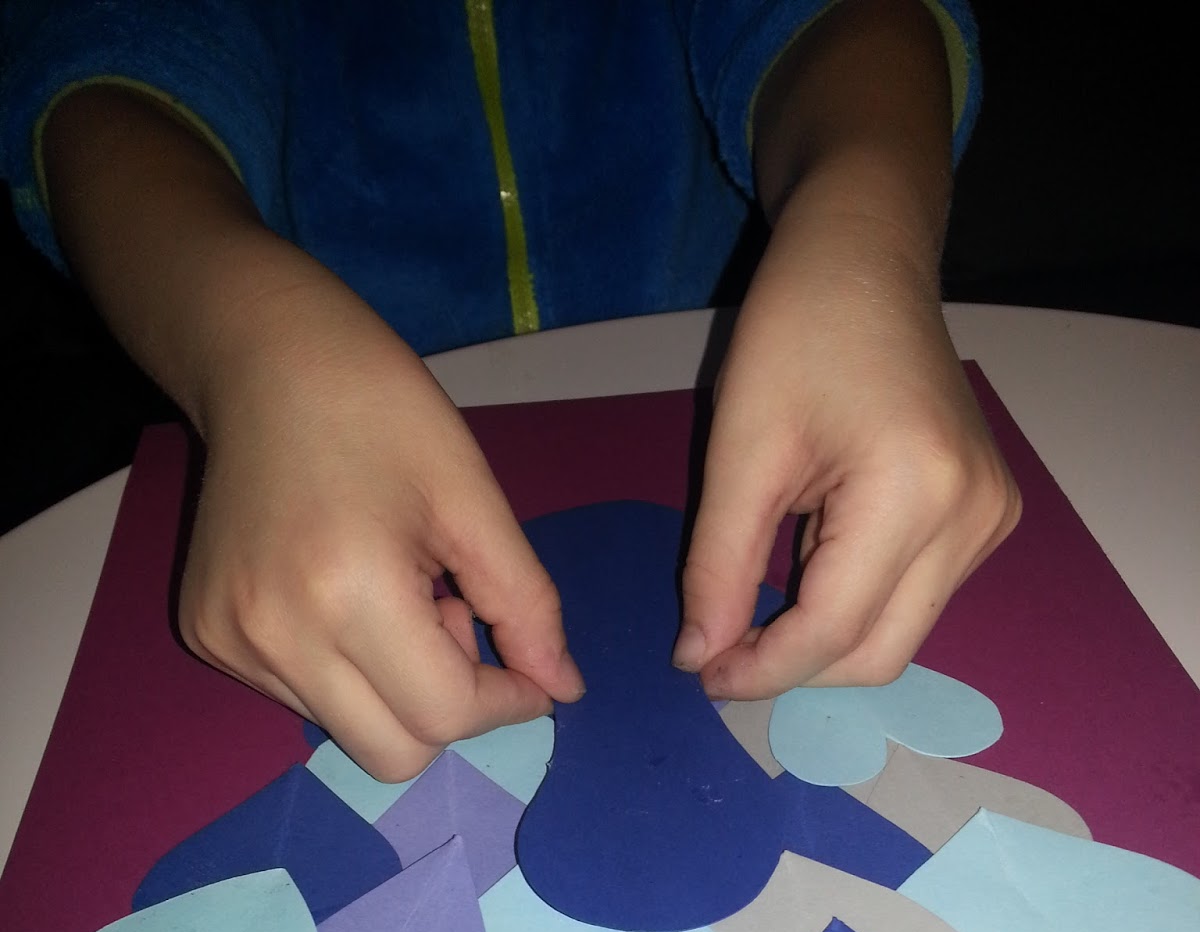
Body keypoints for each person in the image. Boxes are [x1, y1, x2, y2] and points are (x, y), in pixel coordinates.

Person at [1, 0, 1020, 782]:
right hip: (305, 450)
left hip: (715, 355)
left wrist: (868, 217)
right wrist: (243, 339)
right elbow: (109, 58)